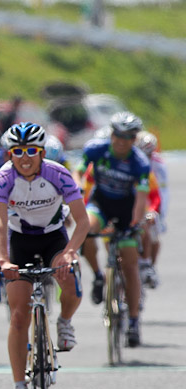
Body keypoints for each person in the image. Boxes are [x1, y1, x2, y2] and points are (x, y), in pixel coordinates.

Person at [0, 122, 89, 389]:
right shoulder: (3, 178)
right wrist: (3, 259)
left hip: (53, 238)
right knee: (19, 315)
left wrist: (69, 252)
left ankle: (65, 321)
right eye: (17, 151)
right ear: (9, 154)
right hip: (19, 240)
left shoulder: (57, 173)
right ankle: (19, 386)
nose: (24, 157)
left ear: (42, 152)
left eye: (31, 151)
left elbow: (82, 221)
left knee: (70, 278)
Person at [73, 112, 150, 347]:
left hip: (126, 210)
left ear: (134, 139)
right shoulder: (96, 148)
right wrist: (77, 189)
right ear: (111, 133)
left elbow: (141, 199)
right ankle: (98, 275)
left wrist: (134, 224)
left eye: (127, 136)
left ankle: (134, 321)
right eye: (117, 134)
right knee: (85, 230)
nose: (121, 140)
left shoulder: (140, 163)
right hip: (101, 204)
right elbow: (79, 172)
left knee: (129, 264)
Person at [135, 131, 167, 289]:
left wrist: (156, 211)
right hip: (128, 205)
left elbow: (159, 194)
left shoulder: (156, 167)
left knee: (152, 229)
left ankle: (148, 265)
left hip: (145, 205)